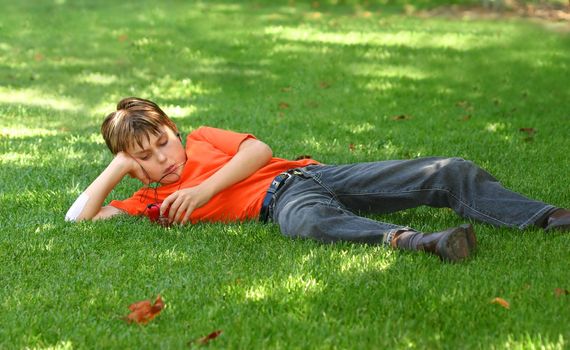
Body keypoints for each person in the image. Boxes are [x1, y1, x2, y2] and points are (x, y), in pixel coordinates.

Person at [65, 97, 570, 263]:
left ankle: (547, 216)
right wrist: (116, 168)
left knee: (448, 170)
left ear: (173, 130)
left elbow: (258, 150)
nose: (162, 158)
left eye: (161, 142)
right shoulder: (148, 199)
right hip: (284, 202)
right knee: (306, 222)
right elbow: (79, 219)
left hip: (306, 173)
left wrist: (203, 189)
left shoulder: (200, 139)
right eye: (144, 157)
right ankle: (418, 242)